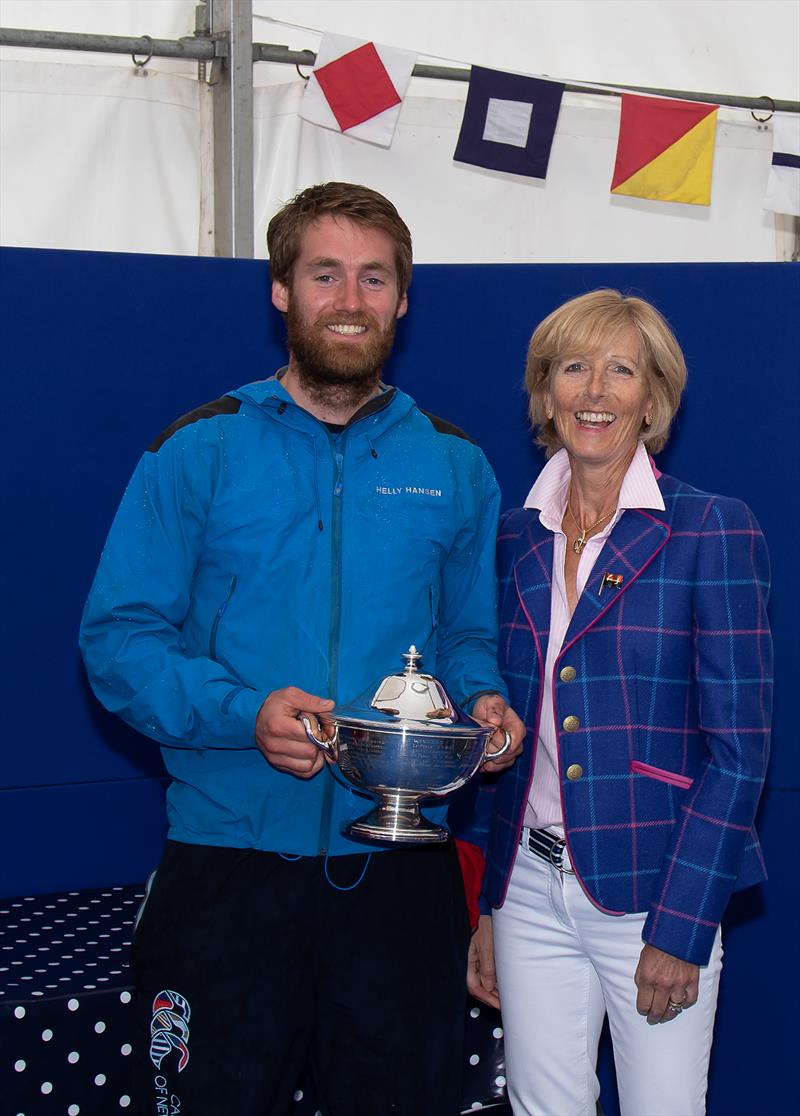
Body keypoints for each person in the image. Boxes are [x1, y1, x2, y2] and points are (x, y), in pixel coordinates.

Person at [79, 181, 523, 1116]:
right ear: (282, 290)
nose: (350, 300)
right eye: (326, 274)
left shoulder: (455, 464)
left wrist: (480, 702)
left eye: (374, 279)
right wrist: (242, 714)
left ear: (404, 298)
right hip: (227, 869)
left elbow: (468, 637)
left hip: (403, 877)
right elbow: (118, 641)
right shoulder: (196, 450)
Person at [464, 289, 772, 1116]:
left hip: (654, 892)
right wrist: (493, 903)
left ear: (653, 398)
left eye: (621, 370)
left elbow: (740, 755)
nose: (595, 391)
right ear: (546, 390)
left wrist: (683, 925)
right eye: (574, 368)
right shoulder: (512, 535)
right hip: (527, 889)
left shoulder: (712, 530)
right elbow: (516, 740)